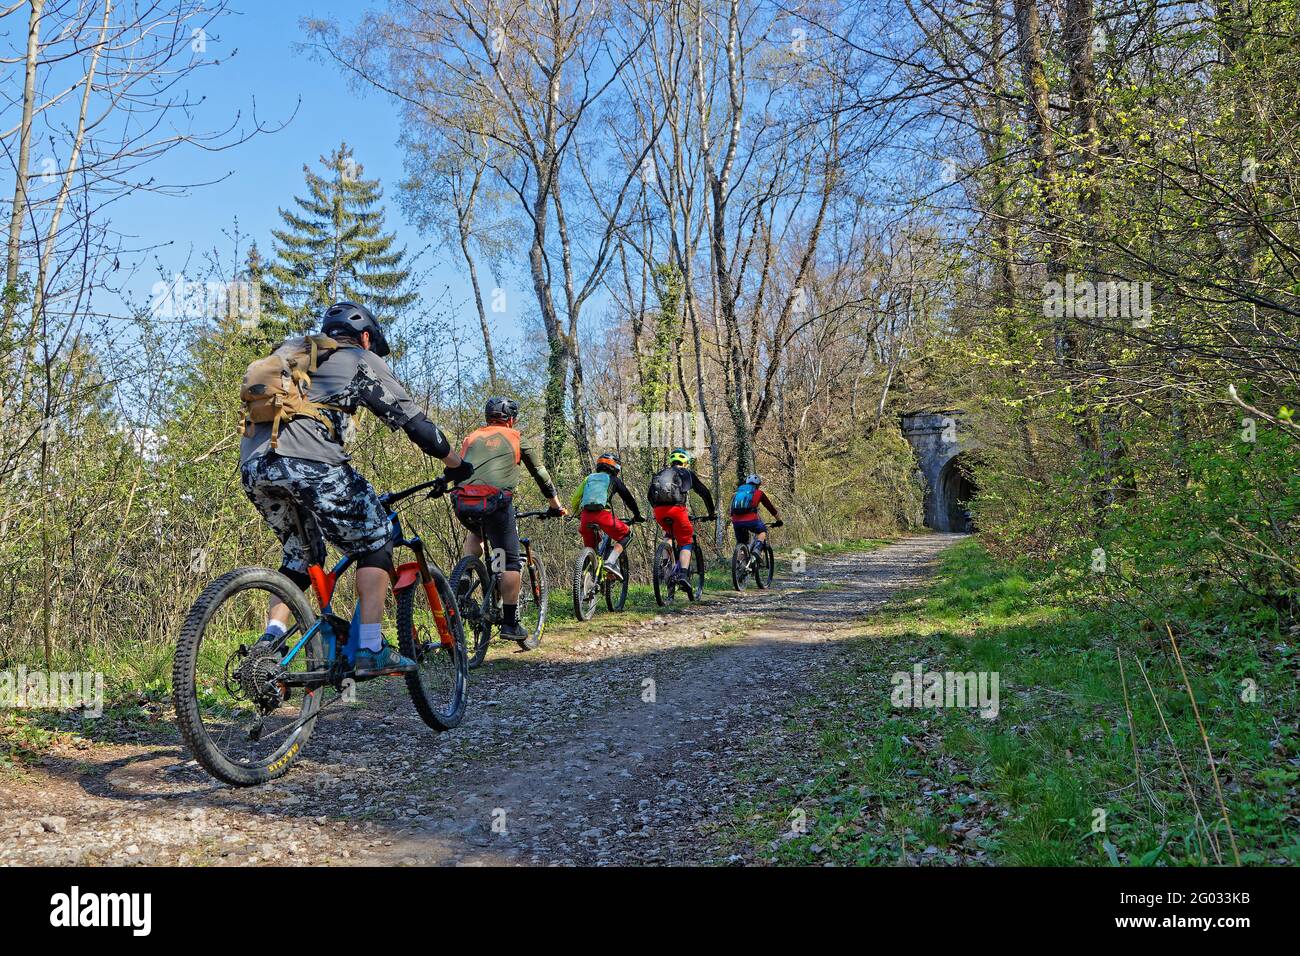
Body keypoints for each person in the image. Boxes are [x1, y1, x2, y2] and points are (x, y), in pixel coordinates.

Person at [240, 301, 468, 677]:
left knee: (300, 555)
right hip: (310, 464)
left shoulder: (291, 353)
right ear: (365, 337)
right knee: (376, 540)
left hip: (255, 467)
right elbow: (415, 423)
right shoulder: (359, 357)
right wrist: (456, 464)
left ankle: (267, 648)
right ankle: (370, 646)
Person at [451, 397, 567, 640]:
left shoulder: (471, 437)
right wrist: (555, 505)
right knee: (510, 562)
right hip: (495, 503)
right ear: (511, 419)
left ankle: (464, 576)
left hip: (462, 502)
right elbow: (541, 474)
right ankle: (510, 623)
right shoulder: (515, 437)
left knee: (475, 534)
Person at [647, 447, 715, 593]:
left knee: (668, 533)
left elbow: (649, 495)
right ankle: (683, 574)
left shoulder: (661, 473)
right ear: (685, 462)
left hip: (659, 511)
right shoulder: (687, 473)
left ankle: (664, 564)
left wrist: (658, 507)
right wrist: (711, 512)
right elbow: (704, 492)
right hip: (677, 510)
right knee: (686, 540)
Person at [570, 453, 643, 580]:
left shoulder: (589, 478)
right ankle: (610, 562)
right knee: (628, 534)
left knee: (591, 549)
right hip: (603, 516)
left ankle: (586, 580)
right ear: (615, 468)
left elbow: (575, 498)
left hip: (585, 517)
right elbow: (628, 498)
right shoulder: (613, 480)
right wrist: (637, 515)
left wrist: (577, 513)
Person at [730, 473, 782, 554]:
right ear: (758, 485)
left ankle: (740, 564)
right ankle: (757, 551)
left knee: (742, 543)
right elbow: (771, 508)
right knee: (762, 531)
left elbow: (731, 508)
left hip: (736, 521)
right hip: (751, 520)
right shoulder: (759, 493)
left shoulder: (737, 493)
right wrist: (779, 521)